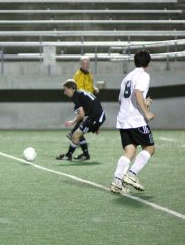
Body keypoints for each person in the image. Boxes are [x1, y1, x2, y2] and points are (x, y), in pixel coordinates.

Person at [110, 50, 155, 193]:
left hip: (123, 119)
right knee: (149, 148)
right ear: (148, 63)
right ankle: (131, 174)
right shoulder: (144, 75)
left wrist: (143, 102)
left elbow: (121, 99)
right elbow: (137, 92)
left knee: (129, 151)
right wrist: (146, 112)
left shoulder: (127, 77)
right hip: (136, 120)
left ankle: (117, 181)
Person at [56, 79, 106, 161]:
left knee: (75, 134)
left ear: (71, 89)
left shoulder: (76, 96)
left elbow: (81, 114)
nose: (64, 92)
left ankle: (69, 155)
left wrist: (73, 122)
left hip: (95, 118)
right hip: (96, 117)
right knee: (78, 133)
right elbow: (93, 105)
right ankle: (85, 155)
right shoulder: (80, 93)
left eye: (65, 90)